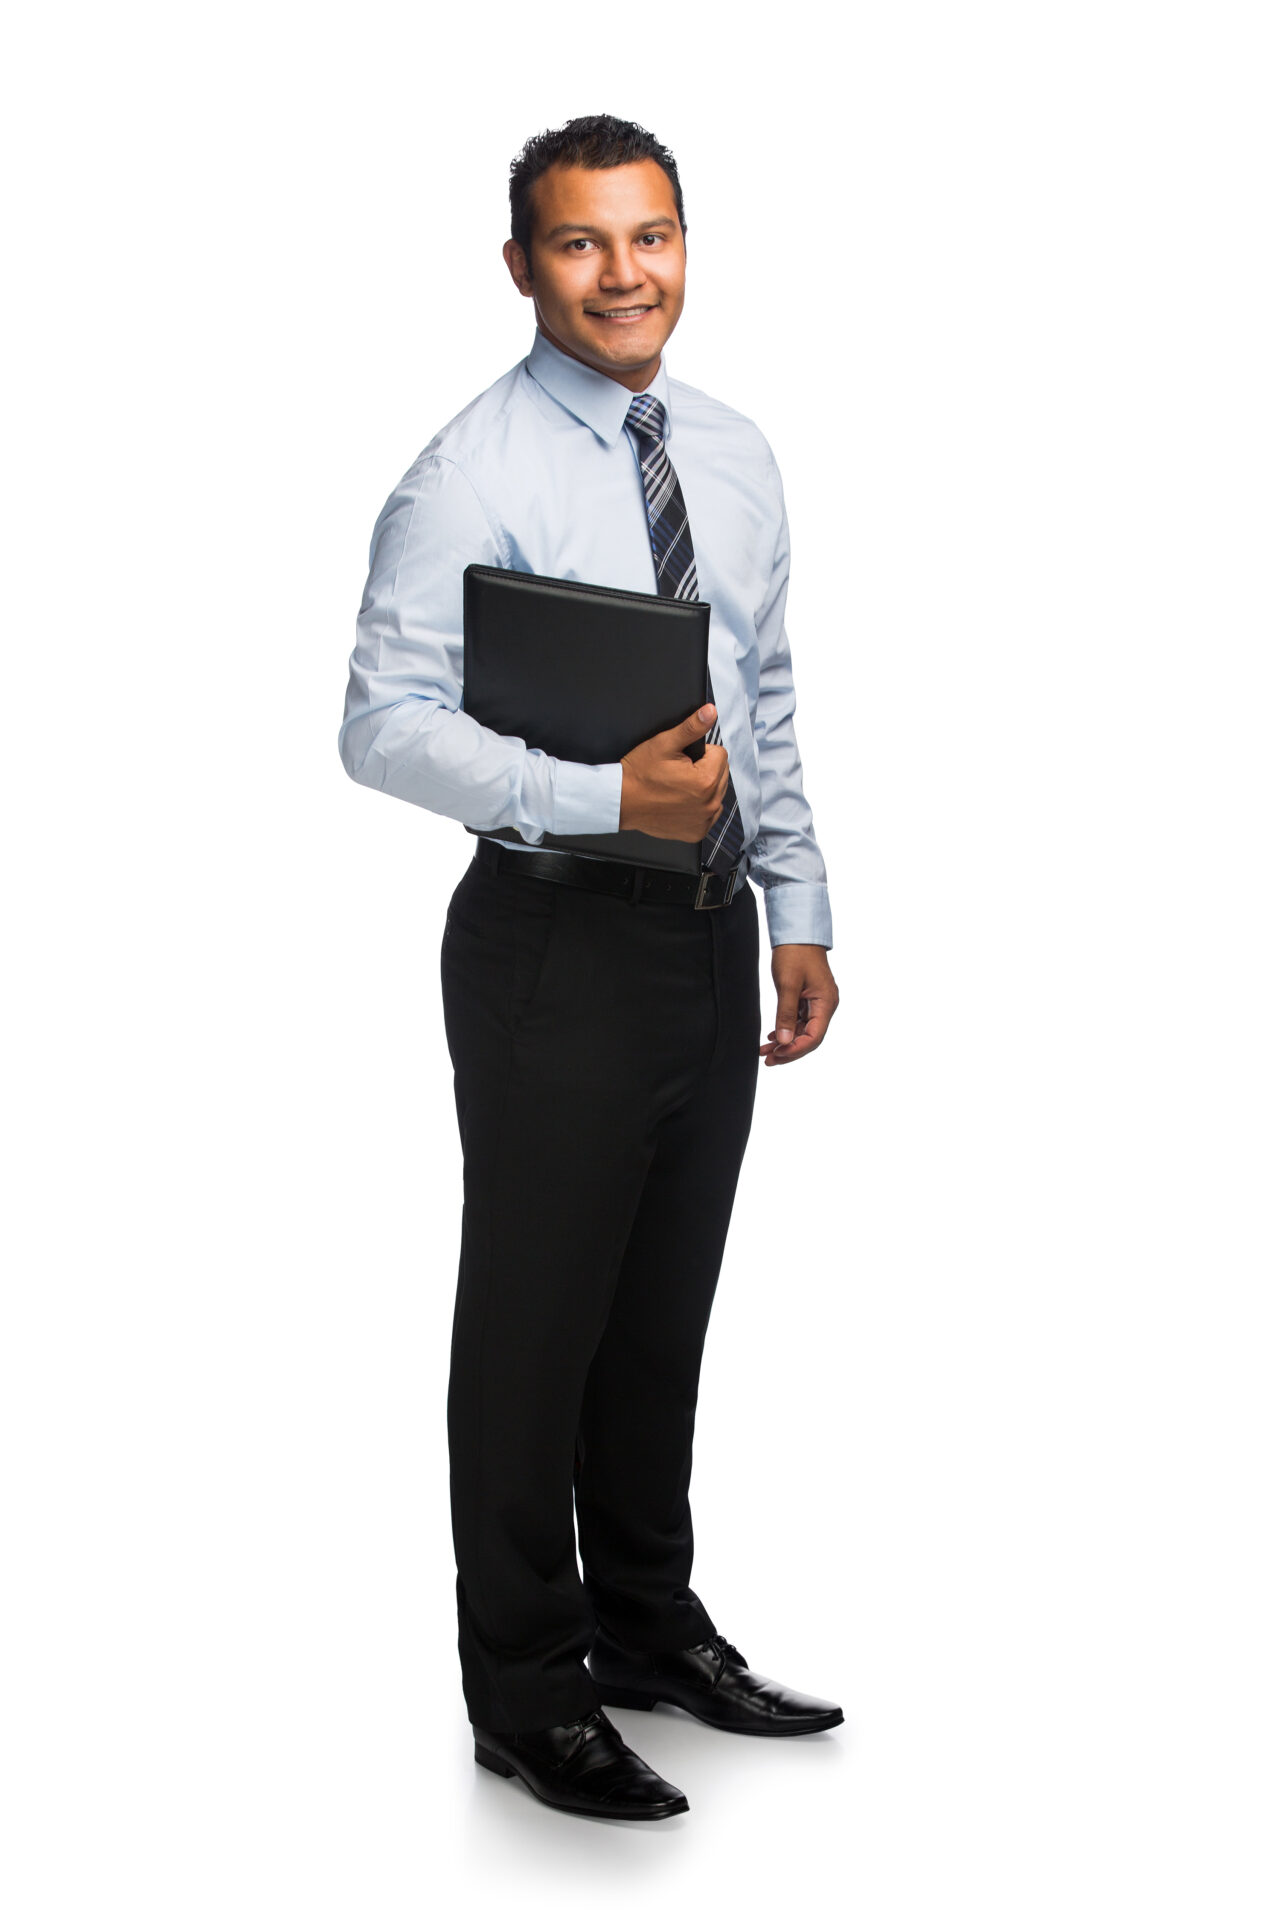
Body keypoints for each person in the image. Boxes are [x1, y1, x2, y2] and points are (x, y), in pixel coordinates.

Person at [338, 112, 843, 1823]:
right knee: (534, 1334)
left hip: (707, 942)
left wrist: (798, 902)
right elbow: (378, 728)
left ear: (684, 242)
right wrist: (592, 794)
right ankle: (528, 1692)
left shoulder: (737, 451)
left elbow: (762, 694)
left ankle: (643, 1627)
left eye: (651, 237)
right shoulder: (468, 472)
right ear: (521, 265)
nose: (624, 274)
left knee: (655, 1319)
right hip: (552, 942)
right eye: (581, 243)